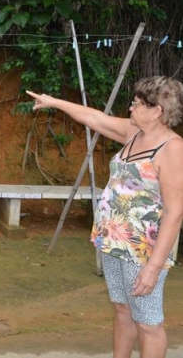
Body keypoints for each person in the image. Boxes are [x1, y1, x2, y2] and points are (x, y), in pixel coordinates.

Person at [27, 75, 183, 358]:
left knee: (148, 323)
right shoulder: (134, 133)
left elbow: (175, 211)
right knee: (123, 310)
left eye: (136, 104)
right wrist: (53, 102)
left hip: (143, 251)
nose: (131, 109)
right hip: (113, 242)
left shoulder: (172, 149)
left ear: (157, 111)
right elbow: (95, 119)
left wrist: (153, 267)